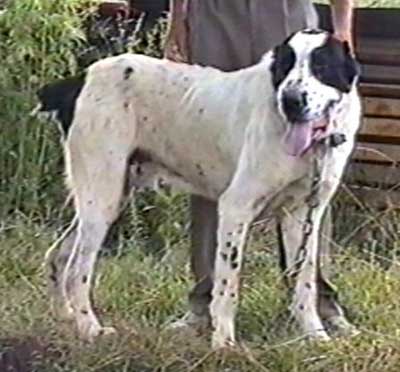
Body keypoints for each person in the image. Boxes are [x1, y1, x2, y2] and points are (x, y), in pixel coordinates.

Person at [164, 0, 355, 333]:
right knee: (209, 150)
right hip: (214, 17)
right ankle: (206, 303)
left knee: (313, 167)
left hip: (286, 14)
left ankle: (318, 305)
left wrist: (343, 28)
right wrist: (177, 21)